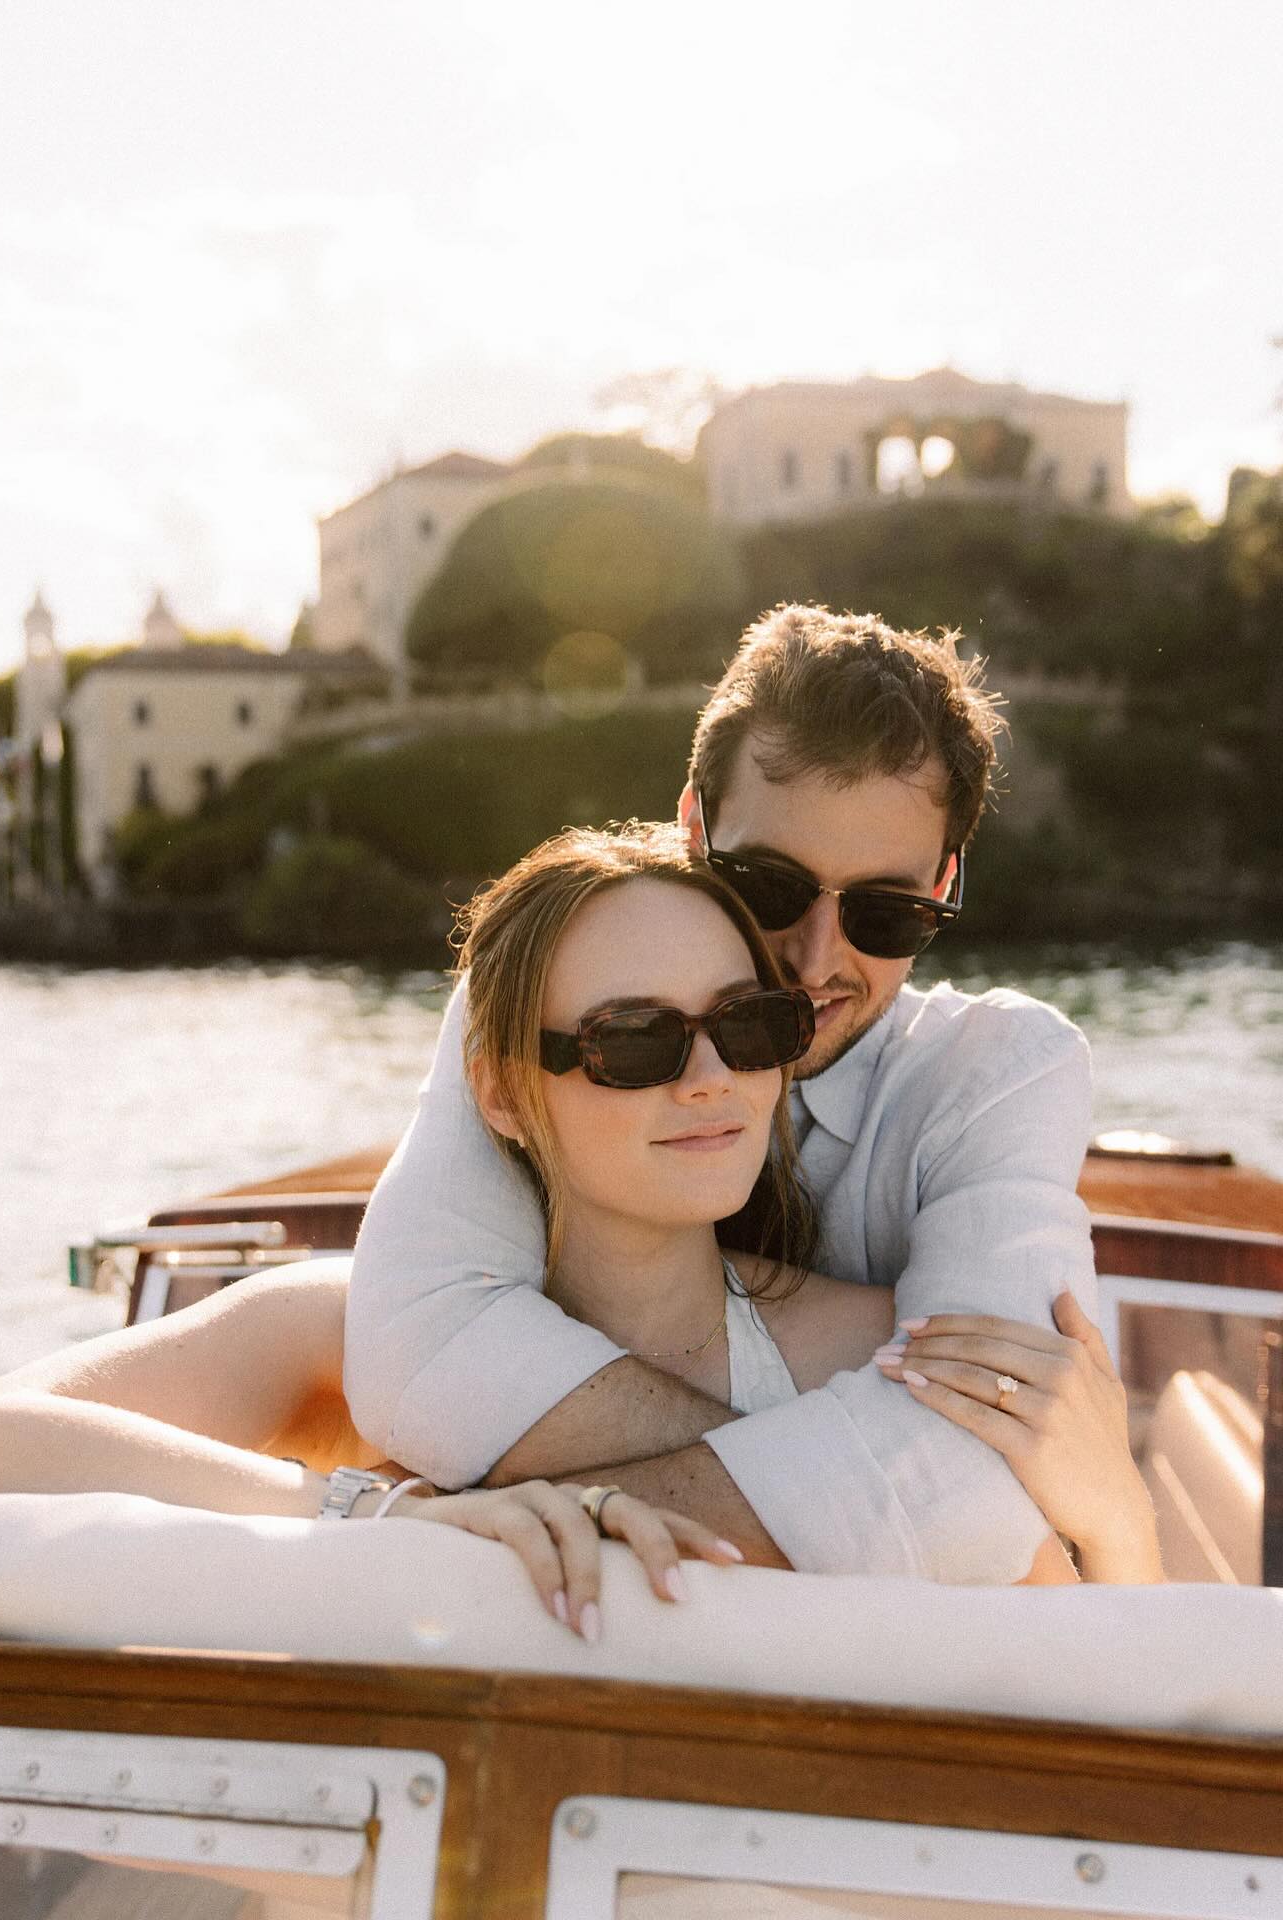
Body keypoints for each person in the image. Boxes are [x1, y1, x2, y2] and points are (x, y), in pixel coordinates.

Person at [0, 821, 1160, 1626]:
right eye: (634, 1040)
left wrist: (1116, 1520)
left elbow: (1065, 1661)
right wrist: (386, 1523)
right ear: (499, 1089)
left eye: (749, 1023)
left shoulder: (887, 1359)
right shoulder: (340, 1334)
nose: (709, 1076)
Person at [343, 604, 1119, 1583]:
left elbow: (977, 1467)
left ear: (947, 884)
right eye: (771, 885)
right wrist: (838, 1478)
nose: (815, 958)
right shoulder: (552, 994)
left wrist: (518, 1522)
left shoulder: (1003, 1072)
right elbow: (421, 1351)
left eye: (886, 911)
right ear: (691, 828)